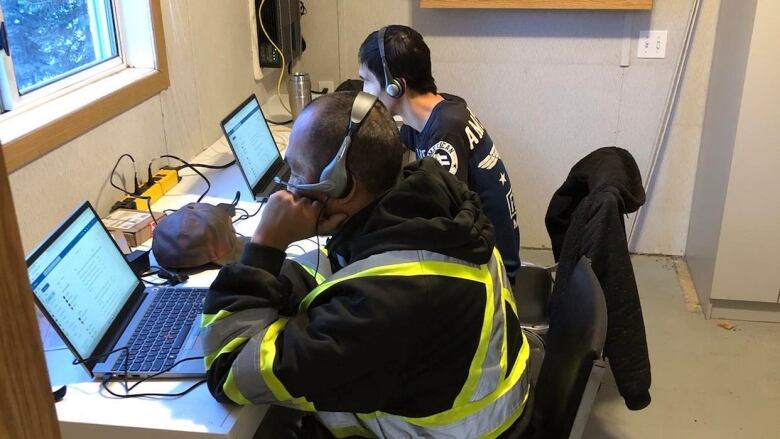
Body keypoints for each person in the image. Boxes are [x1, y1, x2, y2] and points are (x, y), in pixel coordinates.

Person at [202, 91, 531, 438]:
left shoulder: (380, 304)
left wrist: (266, 246)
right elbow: (341, 269)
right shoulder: (430, 205)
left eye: (297, 173)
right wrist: (272, 279)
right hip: (486, 415)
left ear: (342, 186)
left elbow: (229, 370)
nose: (289, 189)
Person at [358, 24, 521, 281]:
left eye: (366, 81)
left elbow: (441, 220)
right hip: (484, 246)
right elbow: (394, 143)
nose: (364, 91)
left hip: (492, 269)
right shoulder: (442, 109)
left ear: (395, 87)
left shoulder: (446, 133)